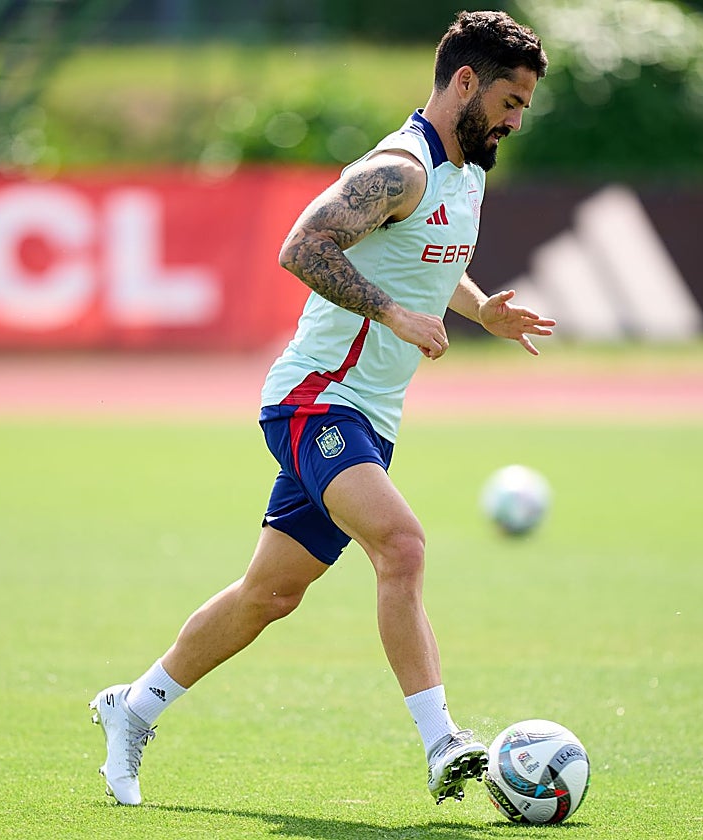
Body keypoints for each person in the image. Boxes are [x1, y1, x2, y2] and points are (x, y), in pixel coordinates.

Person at [91, 9, 551, 807]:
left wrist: (481, 312)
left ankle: (133, 707)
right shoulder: (400, 166)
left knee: (270, 593)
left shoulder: (468, 170)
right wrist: (391, 314)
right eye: (510, 102)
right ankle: (445, 743)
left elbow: (427, 262)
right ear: (465, 82)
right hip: (314, 399)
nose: (516, 121)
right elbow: (302, 244)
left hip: (369, 417)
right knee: (402, 547)